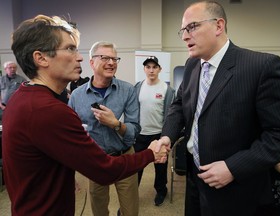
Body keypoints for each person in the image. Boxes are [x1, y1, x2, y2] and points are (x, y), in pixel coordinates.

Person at [2, 15, 167, 216]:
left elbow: (55, 147)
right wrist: (151, 154)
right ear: (41, 58)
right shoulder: (51, 110)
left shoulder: (21, 97)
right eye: (70, 49)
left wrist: (116, 125)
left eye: (114, 58)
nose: (78, 57)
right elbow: (105, 169)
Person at [156, 1, 280, 216]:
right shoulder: (191, 66)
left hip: (237, 189)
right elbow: (179, 105)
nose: (185, 36)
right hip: (195, 177)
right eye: (183, 30)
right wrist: (167, 136)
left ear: (218, 26)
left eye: (192, 27)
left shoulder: (261, 66)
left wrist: (233, 168)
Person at [68, 41, 141, 216]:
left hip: (124, 157)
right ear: (92, 62)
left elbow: (135, 128)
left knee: (130, 211)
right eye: (105, 58)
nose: (111, 62)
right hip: (95, 161)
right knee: (99, 210)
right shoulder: (77, 96)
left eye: (115, 58)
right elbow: (70, 134)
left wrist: (115, 124)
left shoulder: (128, 90)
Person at [134, 56, 175, 206]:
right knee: (137, 166)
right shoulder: (137, 87)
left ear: (159, 69)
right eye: (148, 67)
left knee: (160, 167)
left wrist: (166, 135)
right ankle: (132, 194)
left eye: (154, 67)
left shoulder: (167, 89)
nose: (151, 70)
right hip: (140, 135)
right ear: (144, 69)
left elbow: (171, 115)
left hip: (158, 135)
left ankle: (161, 191)